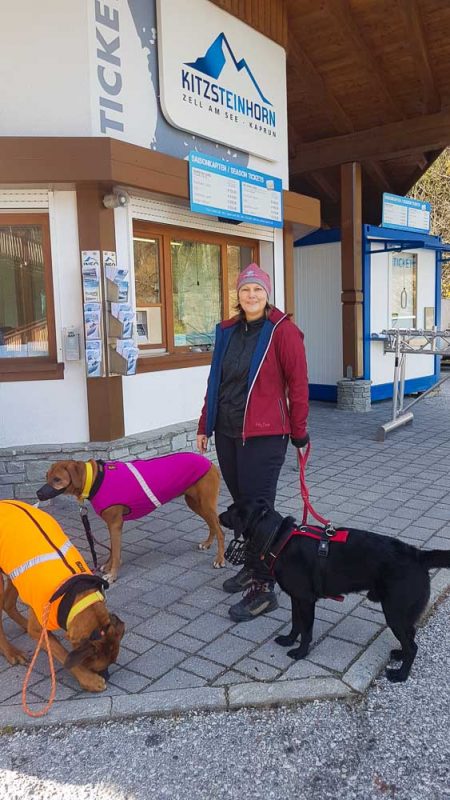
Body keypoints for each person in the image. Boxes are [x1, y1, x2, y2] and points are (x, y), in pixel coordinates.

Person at [197, 263, 309, 622]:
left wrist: (299, 429)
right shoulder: (227, 331)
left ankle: (264, 589)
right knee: (243, 506)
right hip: (228, 431)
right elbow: (216, 380)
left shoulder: (283, 331)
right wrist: (205, 423)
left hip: (265, 434)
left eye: (257, 290)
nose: (251, 295)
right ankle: (252, 564)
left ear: (267, 293)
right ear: (238, 294)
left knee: (260, 511)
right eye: (246, 289)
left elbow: (299, 384)